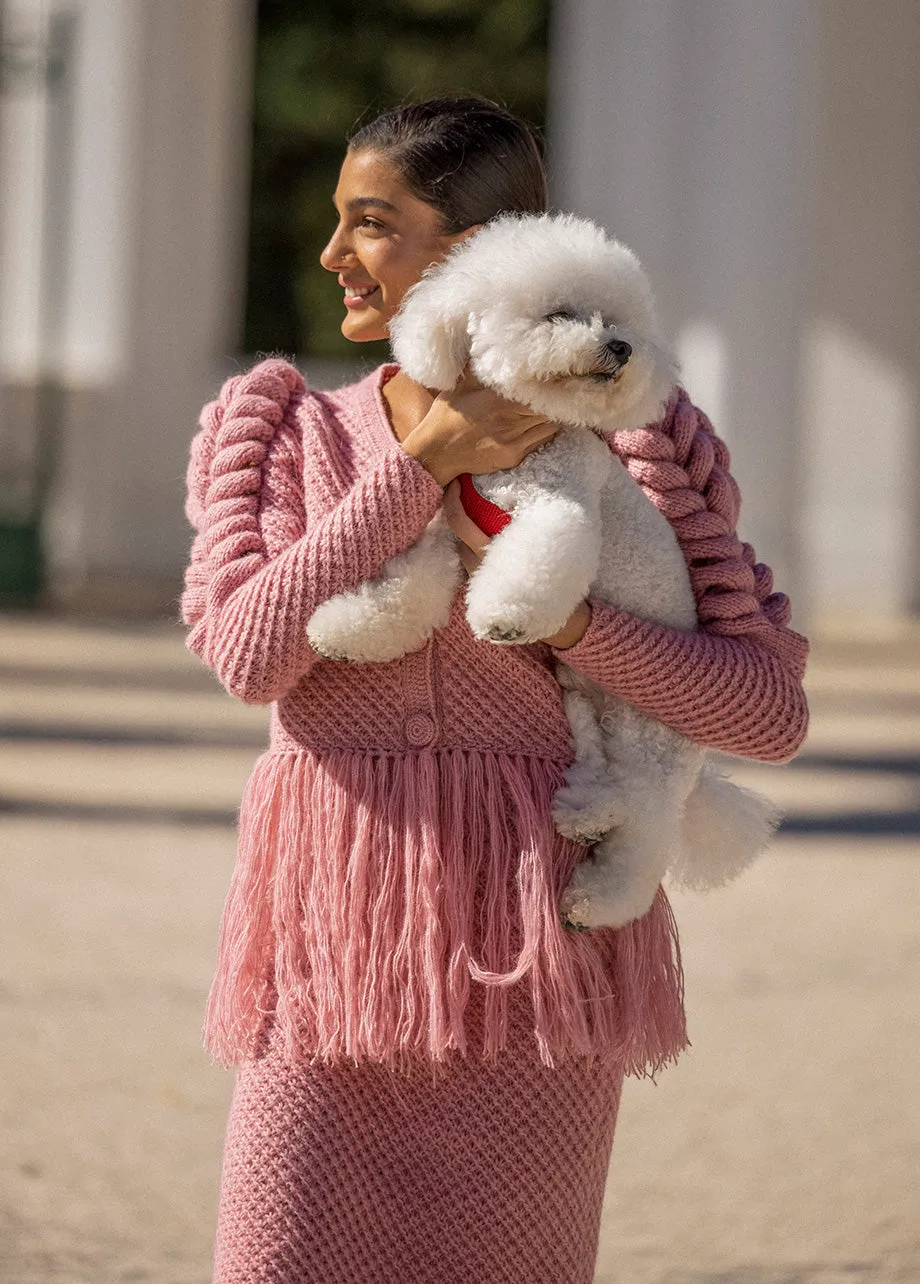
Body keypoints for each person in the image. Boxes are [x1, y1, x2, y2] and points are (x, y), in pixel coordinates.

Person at [181, 96, 809, 1284]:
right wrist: (419, 470)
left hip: (542, 949)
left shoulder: (643, 448)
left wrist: (574, 623)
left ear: (469, 256)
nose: (332, 256)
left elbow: (765, 717)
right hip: (331, 939)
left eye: (370, 224)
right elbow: (246, 654)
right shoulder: (282, 429)